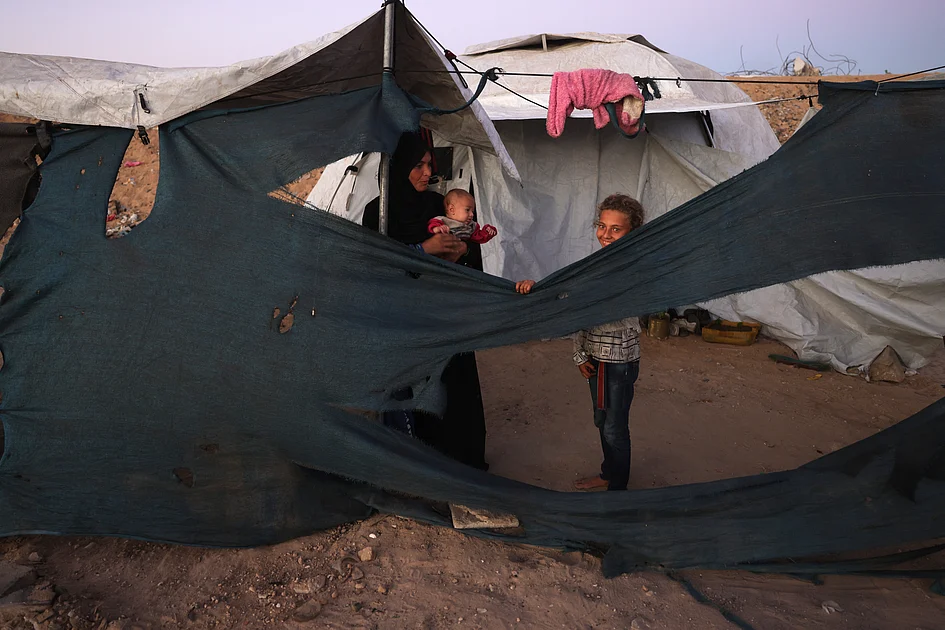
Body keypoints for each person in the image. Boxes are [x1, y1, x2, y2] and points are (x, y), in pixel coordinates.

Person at [362, 132, 489, 471]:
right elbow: (376, 267)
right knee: (414, 390)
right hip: (405, 318)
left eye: (429, 165)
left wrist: (459, 252)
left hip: (447, 314)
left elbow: (468, 245)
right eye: (418, 165)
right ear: (397, 166)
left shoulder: (438, 205)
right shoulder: (378, 213)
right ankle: (418, 464)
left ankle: (461, 462)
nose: (427, 173)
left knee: (455, 387)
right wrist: (423, 251)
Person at [515, 193, 644, 491]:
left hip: (619, 362)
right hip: (596, 358)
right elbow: (579, 311)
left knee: (614, 427)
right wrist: (580, 354)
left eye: (616, 229)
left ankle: (618, 491)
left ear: (633, 232)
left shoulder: (634, 269)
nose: (605, 234)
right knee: (602, 420)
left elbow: (588, 304)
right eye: (602, 226)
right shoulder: (596, 264)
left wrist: (559, 292)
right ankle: (609, 473)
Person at [428, 189, 498, 245]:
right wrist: (437, 229)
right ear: (452, 210)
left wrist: (487, 232)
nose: (472, 214)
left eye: (472, 211)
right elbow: (431, 228)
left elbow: (478, 237)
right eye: (467, 210)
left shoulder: (470, 226)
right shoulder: (443, 221)